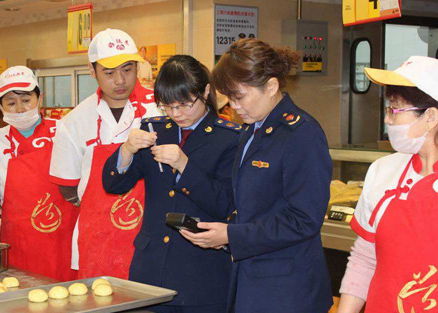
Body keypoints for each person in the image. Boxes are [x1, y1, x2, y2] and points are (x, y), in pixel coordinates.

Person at [180, 39, 333, 313]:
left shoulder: (301, 134)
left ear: (271, 86)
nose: (234, 106)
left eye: (240, 96)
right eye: (229, 97)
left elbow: (304, 220)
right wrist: (218, 232)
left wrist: (232, 236)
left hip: (288, 288)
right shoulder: (252, 130)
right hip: (251, 279)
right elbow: (251, 203)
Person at [102, 55, 239, 312]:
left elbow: (225, 204)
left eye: (185, 104)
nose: (177, 114)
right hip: (151, 269)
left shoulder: (229, 138)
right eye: (168, 106)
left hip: (201, 274)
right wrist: (127, 150)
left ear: (206, 91)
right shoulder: (155, 129)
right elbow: (113, 186)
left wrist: (185, 166)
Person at [50, 28, 162, 279]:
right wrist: (101, 209)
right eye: (109, 73)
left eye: (127, 69)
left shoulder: (161, 109)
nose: (120, 80)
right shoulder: (76, 121)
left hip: (150, 233)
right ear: (92, 71)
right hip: (97, 237)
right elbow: (68, 187)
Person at [337, 56, 438, 313]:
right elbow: (364, 257)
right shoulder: (383, 171)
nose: (387, 120)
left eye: (394, 109)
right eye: (387, 109)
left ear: (431, 116)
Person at [0, 66, 78, 281]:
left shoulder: (65, 132)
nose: (20, 109)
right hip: (19, 244)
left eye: (26, 100)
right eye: (11, 103)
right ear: (0, 106)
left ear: (39, 99)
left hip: (66, 241)